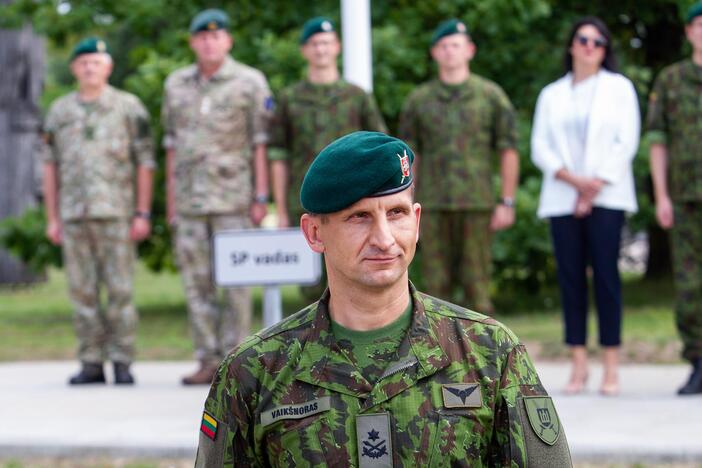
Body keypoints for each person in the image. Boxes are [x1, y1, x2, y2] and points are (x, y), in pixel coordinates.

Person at [194, 131, 572, 466]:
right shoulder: (255, 371)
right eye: (359, 217)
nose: (384, 238)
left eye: (396, 213)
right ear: (314, 232)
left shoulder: (489, 352)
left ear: (417, 220)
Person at [161, 9, 274, 385]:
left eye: (217, 36)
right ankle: (207, 359)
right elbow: (171, 146)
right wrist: (171, 201)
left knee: (236, 286)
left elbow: (261, 142)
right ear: (193, 42)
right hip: (190, 201)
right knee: (196, 284)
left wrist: (261, 195)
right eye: (202, 37)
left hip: (234, 198)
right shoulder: (176, 84)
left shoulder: (249, 82)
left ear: (228, 41)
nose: (209, 42)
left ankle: (235, 361)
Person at [531, 17, 640, 396]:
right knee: (570, 280)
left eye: (598, 41)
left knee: (607, 279)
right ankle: (578, 364)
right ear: (572, 46)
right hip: (563, 197)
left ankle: (611, 366)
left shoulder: (619, 88)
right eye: (583, 39)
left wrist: (592, 186)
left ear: (605, 50)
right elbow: (539, 146)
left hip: (607, 195)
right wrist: (573, 182)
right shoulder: (552, 94)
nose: (590, 46)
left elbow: (626, 141)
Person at [42, 38, 155, 385]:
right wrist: (53, 217)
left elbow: (145, 161)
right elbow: (50, 166)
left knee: (120, 290)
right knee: (82, 290)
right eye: (84, 62)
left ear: (108, 67)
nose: (90, 68)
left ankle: (122, 360)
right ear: (75, 68)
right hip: (75, 214)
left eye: (96, 62)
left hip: (117, 212)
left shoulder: (129, 107)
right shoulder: (59, 111)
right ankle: (91, 360)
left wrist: (142, 212)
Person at [398, 19, 519, 314]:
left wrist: (507, 200)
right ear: (435, 53)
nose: (450, 52)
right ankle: (433, 353)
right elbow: (408, 157)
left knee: (477, 285)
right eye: (443, 46)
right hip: (433, 204)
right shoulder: (419, 100)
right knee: (433, 287)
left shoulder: (490, 96)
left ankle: (483, 354)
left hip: (477, 202)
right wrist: (405, 203)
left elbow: (508, 149)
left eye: (456, 45)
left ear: (470, 50)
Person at [269, 16, 387, 300]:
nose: (320, 49)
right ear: (304, 51)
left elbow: (378, 148)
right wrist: (282, 207)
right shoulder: (290, 99)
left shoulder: (356, 97)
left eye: (326, 43)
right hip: (306, 200)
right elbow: (278, 154)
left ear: (337, 47)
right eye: (313, 44)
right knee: (311, 283)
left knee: (354, 273)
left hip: (353, 200)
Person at [647, 2, 702, 395]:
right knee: (689, 285)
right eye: (698, 24)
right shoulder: (671, 80)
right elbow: (658, 141)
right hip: (685, 197)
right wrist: (662, 194)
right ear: (688, 32)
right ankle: (699, 360)